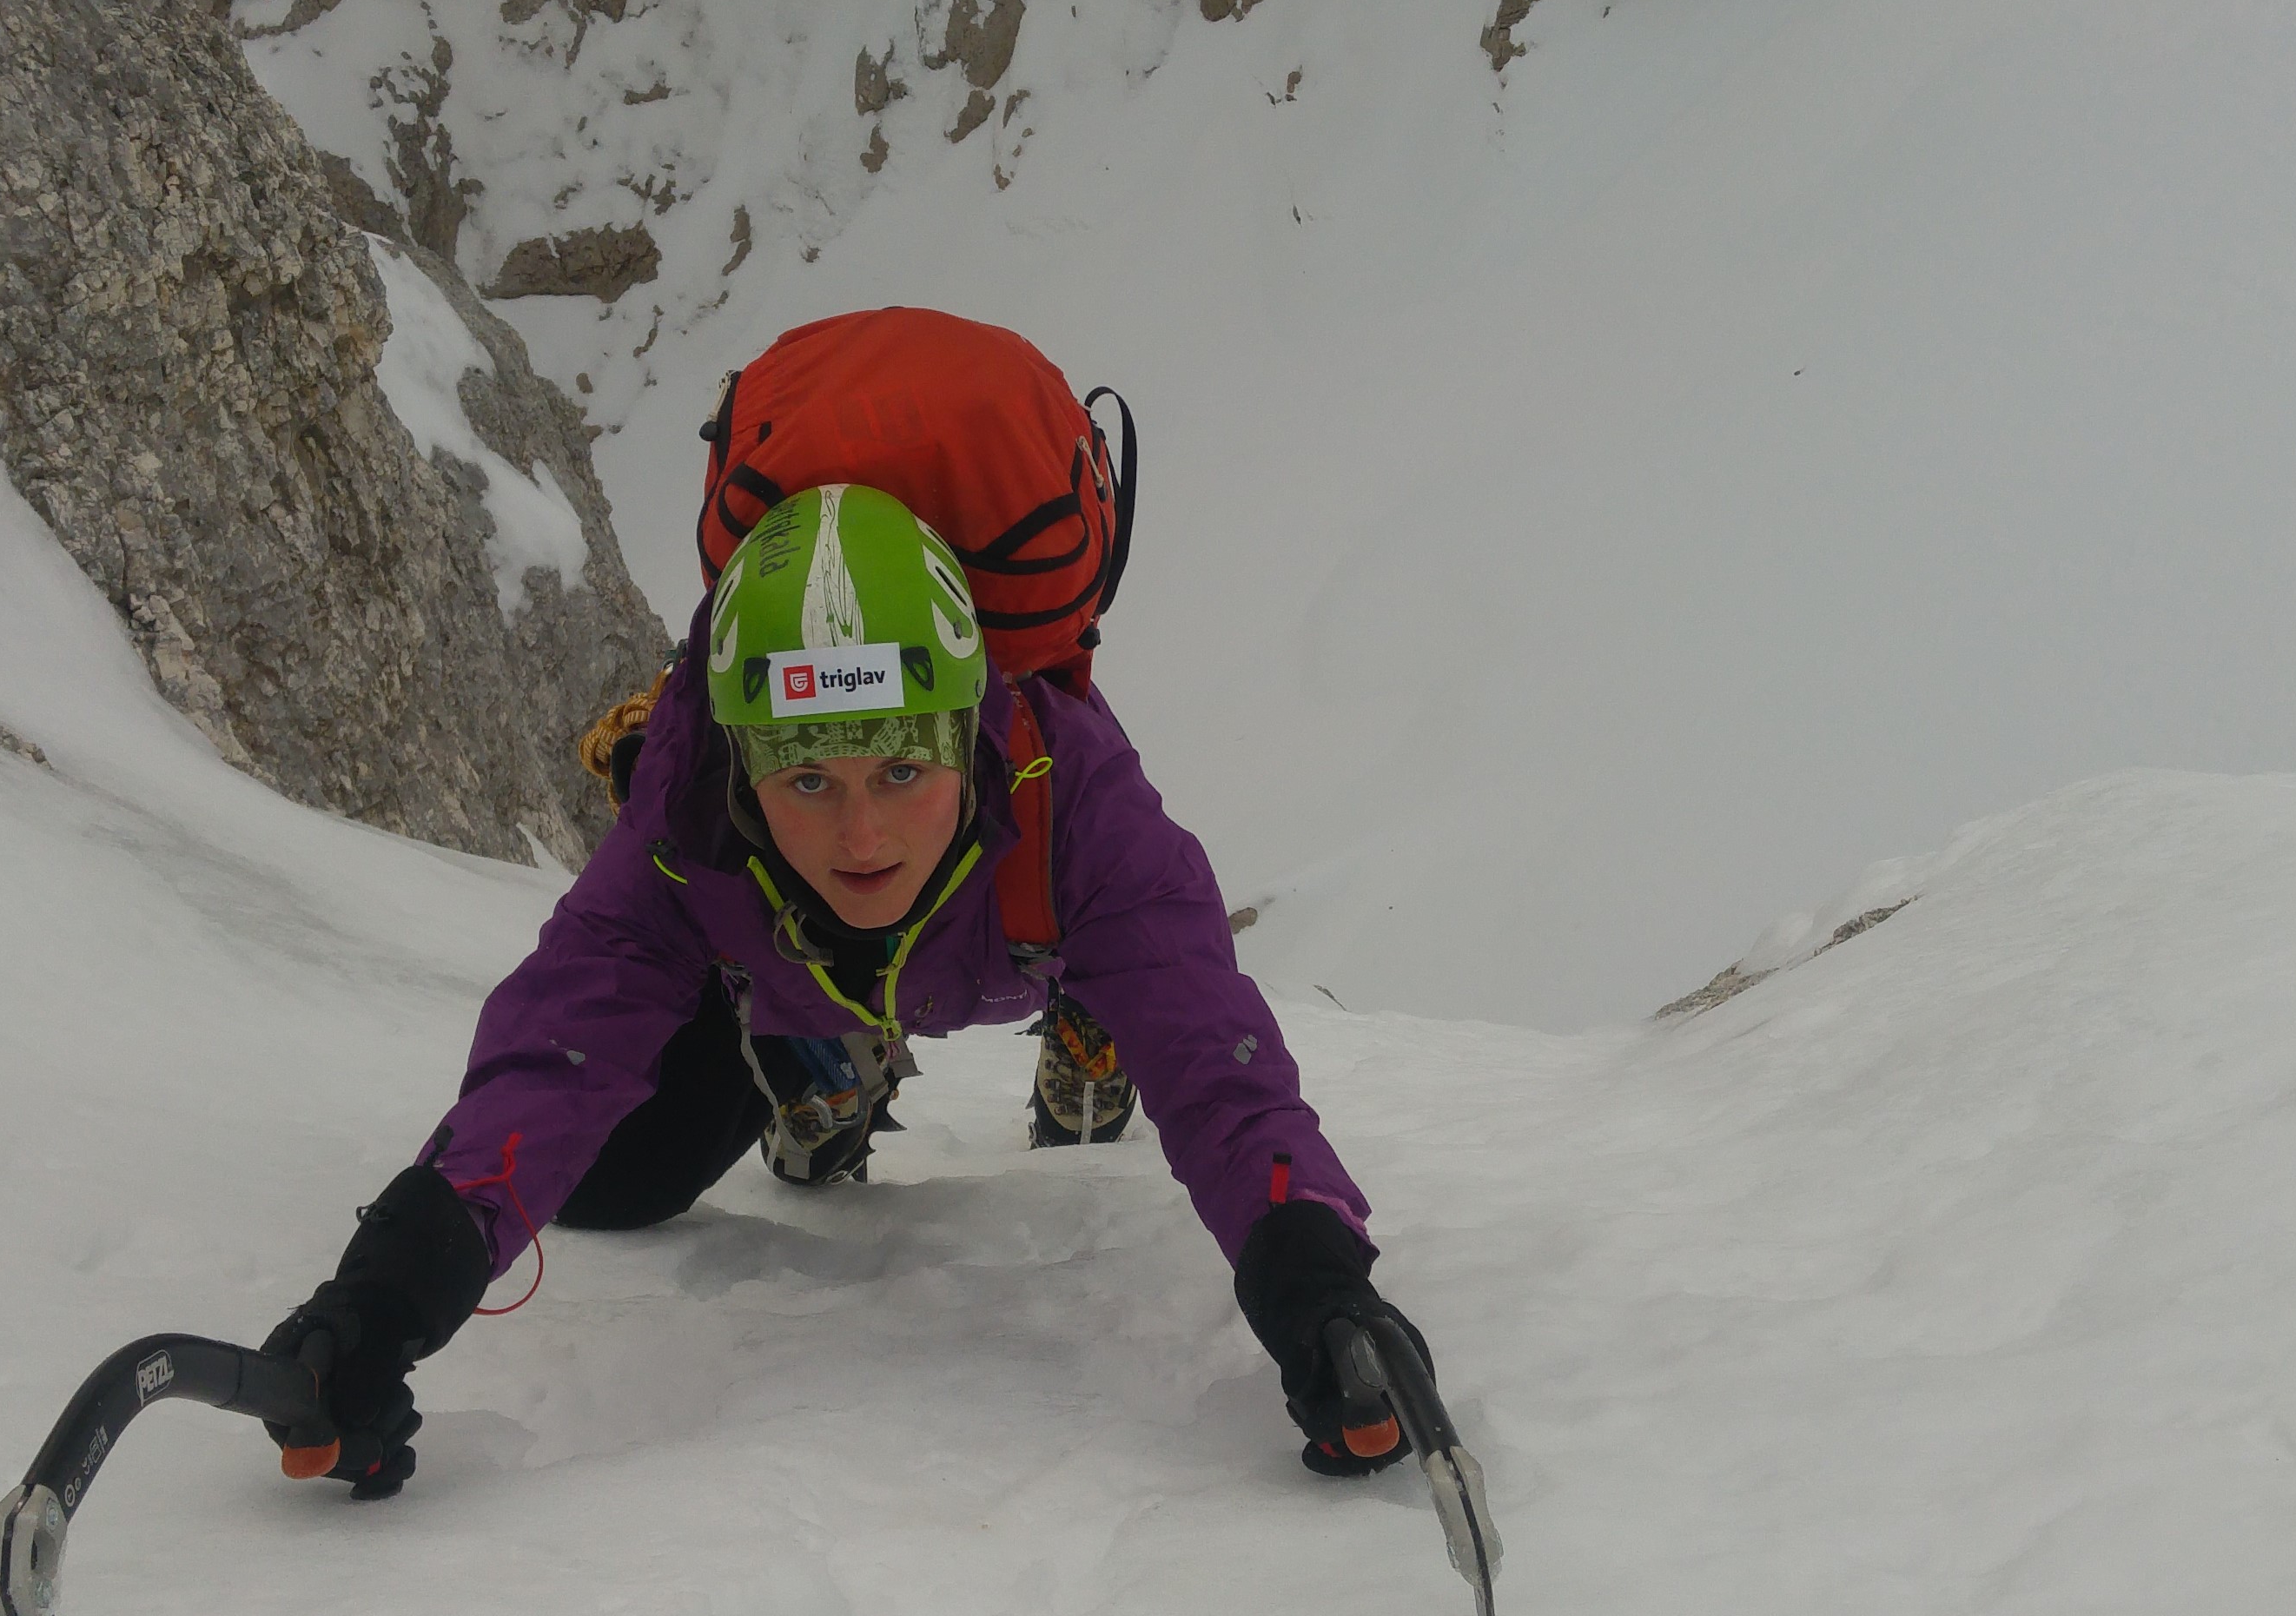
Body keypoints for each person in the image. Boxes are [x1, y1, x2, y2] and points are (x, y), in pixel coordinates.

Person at [256, 479, 1432, 1500]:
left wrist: (1317, 1286)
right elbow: (554, 1056)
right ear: (739, 758)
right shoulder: (689, 815)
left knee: (1136, 989)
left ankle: (1087, 1004)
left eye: (903, 769)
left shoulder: (1073, 802)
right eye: (808, 776)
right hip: (782, 952)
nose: (862, 835)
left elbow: (1219, 1070)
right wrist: (387, 1298)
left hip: (1016, 941)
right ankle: (815, 1044)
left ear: (967, 730)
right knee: (616, 1183)